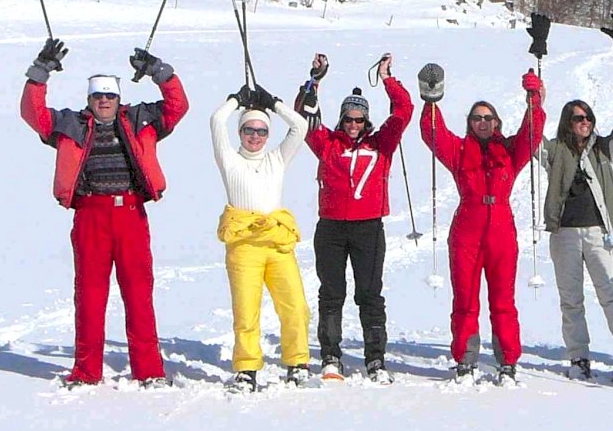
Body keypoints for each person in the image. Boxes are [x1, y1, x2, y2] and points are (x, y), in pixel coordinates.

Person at [19, 39, 188, 389]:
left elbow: (177, 106)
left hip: (130, 214)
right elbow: (33, 114)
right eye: (98, 97)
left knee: (139, 294)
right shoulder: (70, 124)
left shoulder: (140, 118)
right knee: (90, 295)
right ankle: (86, 371)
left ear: (118, 98)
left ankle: (149, 370)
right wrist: (40, 72)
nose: (104, 102)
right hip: (90, 216)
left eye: (110, 96)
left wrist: (160, 72)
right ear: (89, 100)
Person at [420, 68, 545, 386]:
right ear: (470, 123)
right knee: (465, 300)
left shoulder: (510, 150)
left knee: (503, 301)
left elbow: (533, 133)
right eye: (477, 117)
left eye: (489, 117)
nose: (483, 122)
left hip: (501, 230)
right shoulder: (460, 150)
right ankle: (465, 358)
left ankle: (508, 360)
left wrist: (534, 100)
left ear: (497, 122)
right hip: (467, 230)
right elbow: (432, 133)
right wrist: (431, 99)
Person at [296, 53, 413, 384]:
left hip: (369, 228)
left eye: (359, 119)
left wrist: (388, 77)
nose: (353, 124)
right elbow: (302, 116)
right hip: (331, 228)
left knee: (369, 294)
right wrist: (315, 78)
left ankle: (375, 358)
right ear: (341, 118)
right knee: (331, 293)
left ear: (367, 121)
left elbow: (404, 111)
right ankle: (331, 356)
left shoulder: (382, 144)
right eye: (348, 118)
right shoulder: (327, 144)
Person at [539, 68, 613, 381]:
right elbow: (533, 140)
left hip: (597, 233)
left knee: (610, 294)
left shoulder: (601, 149)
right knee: (571, 299)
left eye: (587, 117)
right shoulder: (555, 151)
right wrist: (536, 103)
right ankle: (578, 357)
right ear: (567, 122)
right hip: (564, 235)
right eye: (577, 118)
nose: (584, 122)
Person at [211, 75, 312, 391]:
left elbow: (300, 127)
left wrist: (274, 104)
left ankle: (297, 363)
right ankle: (246, 368)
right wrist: (235, 101)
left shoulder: (276, 159)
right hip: (243, 245)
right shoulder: (230, 160)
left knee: (295, 306)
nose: (255, 136)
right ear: (239, 132)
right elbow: (216, 121)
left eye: (261, 130)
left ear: (268, 135)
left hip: (277, 242)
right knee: (246, 310)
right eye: (248, 130)